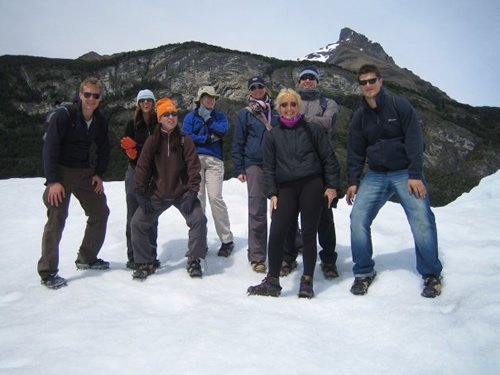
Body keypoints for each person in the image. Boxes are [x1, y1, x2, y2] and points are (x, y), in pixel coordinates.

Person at [346, 64, 443, 298]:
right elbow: (356, 151)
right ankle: (364, 272)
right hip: (377, 174)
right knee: (358, 218)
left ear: (381, 81)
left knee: (422, 219)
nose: (368, 85)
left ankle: (431, 275)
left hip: (404, 172)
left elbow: (414, 140)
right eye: (363, 82)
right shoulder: (359, 117)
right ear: (359, 86)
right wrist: (353, 181)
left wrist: (415, 175)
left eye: (372, 80)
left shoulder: (400, 106)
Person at [247, 88, 341, 298]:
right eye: (284, 105)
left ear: (298, 106)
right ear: (278, 108)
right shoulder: (274, 135)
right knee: (278, 231)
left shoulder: (312, 129)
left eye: (293, 104)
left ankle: (307, 279)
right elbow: (269, 167)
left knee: (309, 233)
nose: (289, 109)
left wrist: (332, 186)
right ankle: (272, 280)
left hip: (312, 184)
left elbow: (328, 158)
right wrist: (272, 193)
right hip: (287, 188)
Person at [38, 77, 111, 289]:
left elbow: (104, 147)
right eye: (87, 94)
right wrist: (53, 181)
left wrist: (99, 173)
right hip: (61, 173)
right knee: (57, 218)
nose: (91, 99)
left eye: (95, 96)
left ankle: (86, 257)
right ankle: (48, 271)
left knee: (100, 212)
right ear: (80, 95)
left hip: (85, 173)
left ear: (100, 98)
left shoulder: (100, 120)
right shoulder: (65, 115)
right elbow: (50, 148)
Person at [131, 98, 207, 279]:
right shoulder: (152, 141)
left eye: (173, 114)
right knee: (137, 223)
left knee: (199, 220)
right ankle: (145, 261)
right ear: (159, 118)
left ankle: (194, 259)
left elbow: (194, 167)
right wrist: (140, 193)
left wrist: (192, 192)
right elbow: (142, 167)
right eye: (166, 114)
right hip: (157, 193)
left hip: (182, 194)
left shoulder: (184, 140)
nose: (171, 117)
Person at [281, 66, 341, 279]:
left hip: (321, 167)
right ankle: (288, 257)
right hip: (293, 166)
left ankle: (328, 260)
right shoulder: (295, 104)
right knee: (289, 215)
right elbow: (284, 123)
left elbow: (328, 123)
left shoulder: (328, 103)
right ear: (299, 82)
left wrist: (299, 118)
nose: (307, 81)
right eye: (304, 78)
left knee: (325, 215)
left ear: (317, 82)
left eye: (311, 78)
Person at [232, 76, 280, 273]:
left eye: (260, 86)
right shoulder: (245, 114)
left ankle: (285, 253)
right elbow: (238, 141)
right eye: (253, 87)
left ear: (266, 88)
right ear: (249, 91)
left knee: (283, 209)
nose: (257, 90)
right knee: (257, 210)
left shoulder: (277, 111)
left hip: (278, 164)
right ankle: (258, 257)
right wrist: (239, 168)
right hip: (255, 164)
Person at [182, 86, 234, 257]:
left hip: (214, 161)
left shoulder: (219, 117)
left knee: (215, 198)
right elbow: (186, 136)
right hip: (195, 160)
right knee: (198, 199)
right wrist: (206, 139)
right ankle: (200, 240)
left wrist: (209, 120)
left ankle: (227, 240)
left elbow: (222, 131)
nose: (211, 100)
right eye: (207, 97)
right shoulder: (190, 117)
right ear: (200, 99)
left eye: (213, 97)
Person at [120, 89, 159, 270]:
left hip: (154, 172)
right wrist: (131, 151)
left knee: (151, 213)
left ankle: (150, 254)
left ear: (153, 102)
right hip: (135, 170)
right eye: (142, 100)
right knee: (133, 212)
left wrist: (139, 146)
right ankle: (133, 256)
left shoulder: (159, 123)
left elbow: (159, 147)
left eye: (148, 100)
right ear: (138, 103)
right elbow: (126, 144)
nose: (145, 103)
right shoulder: (132, 124)